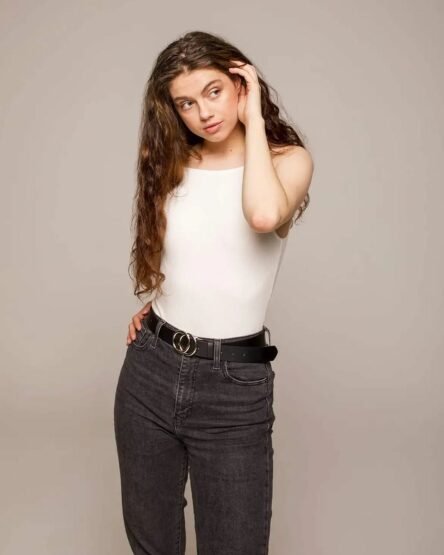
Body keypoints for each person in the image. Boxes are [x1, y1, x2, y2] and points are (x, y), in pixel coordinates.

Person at [113, 30, 314, 555]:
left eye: (214, 91)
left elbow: (263, 216)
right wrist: (159, 309)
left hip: (233, 387)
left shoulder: (288, 161)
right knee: (151, 544)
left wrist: (253, 123)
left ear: (241, 83)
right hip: (150, 371)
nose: (203, 112)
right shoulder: (173, 163)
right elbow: (191, 257)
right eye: (186, 102)